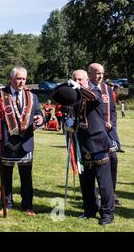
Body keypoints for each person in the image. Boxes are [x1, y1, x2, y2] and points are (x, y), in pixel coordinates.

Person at [0, 66, 43, 217]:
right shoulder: (0, 94)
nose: (21, 81)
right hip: (6, 141)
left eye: (24, 79)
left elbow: (38, 114)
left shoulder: (32, 96)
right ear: (11, 79)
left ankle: (27, 206)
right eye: (18, 78)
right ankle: (6, 204)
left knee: (26, 177)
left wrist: (40, 119)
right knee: (6, 176)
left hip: (26, 142)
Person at [70, 69, 114, 225]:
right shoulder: (74, 95)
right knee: (86, 182)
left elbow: (92, 98)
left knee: (104, 183)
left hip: (98, 142)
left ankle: (107, 214)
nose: (77, 81)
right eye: (74, 79)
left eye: (80, 79)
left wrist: (78, 88)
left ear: (86, 79)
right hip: (82, 143)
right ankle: (89, 209)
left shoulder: (95, 91)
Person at [88, 63, 123, 205]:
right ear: (89, 73)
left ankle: (110, 193)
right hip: (93, 135)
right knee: (95, 164)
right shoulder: (86, 89)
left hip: (108, 134)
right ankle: (92, 196)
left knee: (113, 160)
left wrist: (112, 125)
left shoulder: (107, 90)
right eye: (97, 73)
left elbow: (113, 111)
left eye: (102, 73)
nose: (100, 76)